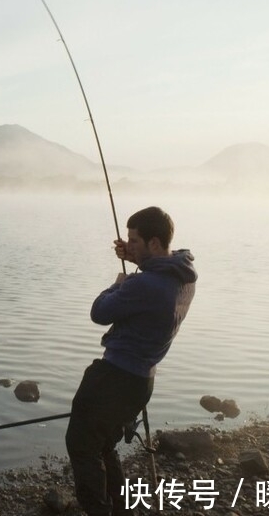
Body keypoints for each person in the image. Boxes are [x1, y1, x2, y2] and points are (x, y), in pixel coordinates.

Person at [65, 206, 197, 515]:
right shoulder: (183, 276)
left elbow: (99, 313)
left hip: (114, 378)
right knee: (104, 445)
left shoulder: (145, 285)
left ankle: (99, 510)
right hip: (141, 381)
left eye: (134, 240)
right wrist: (135, 256)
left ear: (154, 243)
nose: (128, 244)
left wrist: (118, 283)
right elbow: (157, 269)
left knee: (82, 445)